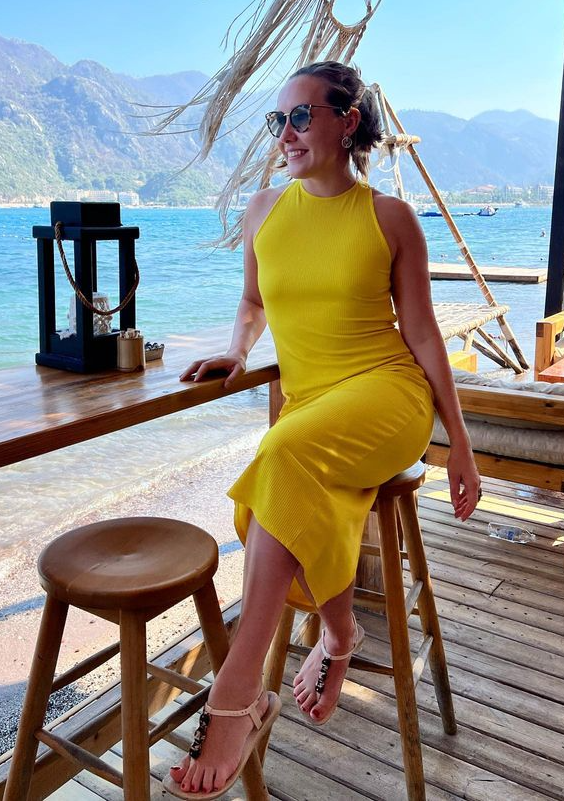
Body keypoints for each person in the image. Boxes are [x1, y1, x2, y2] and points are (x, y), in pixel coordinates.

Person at [164, 61, 481, 799]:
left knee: (280, 454)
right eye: (278, 121)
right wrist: (238, 351)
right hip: (311, 405)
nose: (287, 134)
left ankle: (236, 691)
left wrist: (460, 443)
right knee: (286, 473)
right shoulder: (263, 210)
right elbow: (253, 302)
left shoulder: (390, 218)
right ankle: (339, 635)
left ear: (348, 121)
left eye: (302, 117)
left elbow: (424, 336)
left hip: (388, 394)